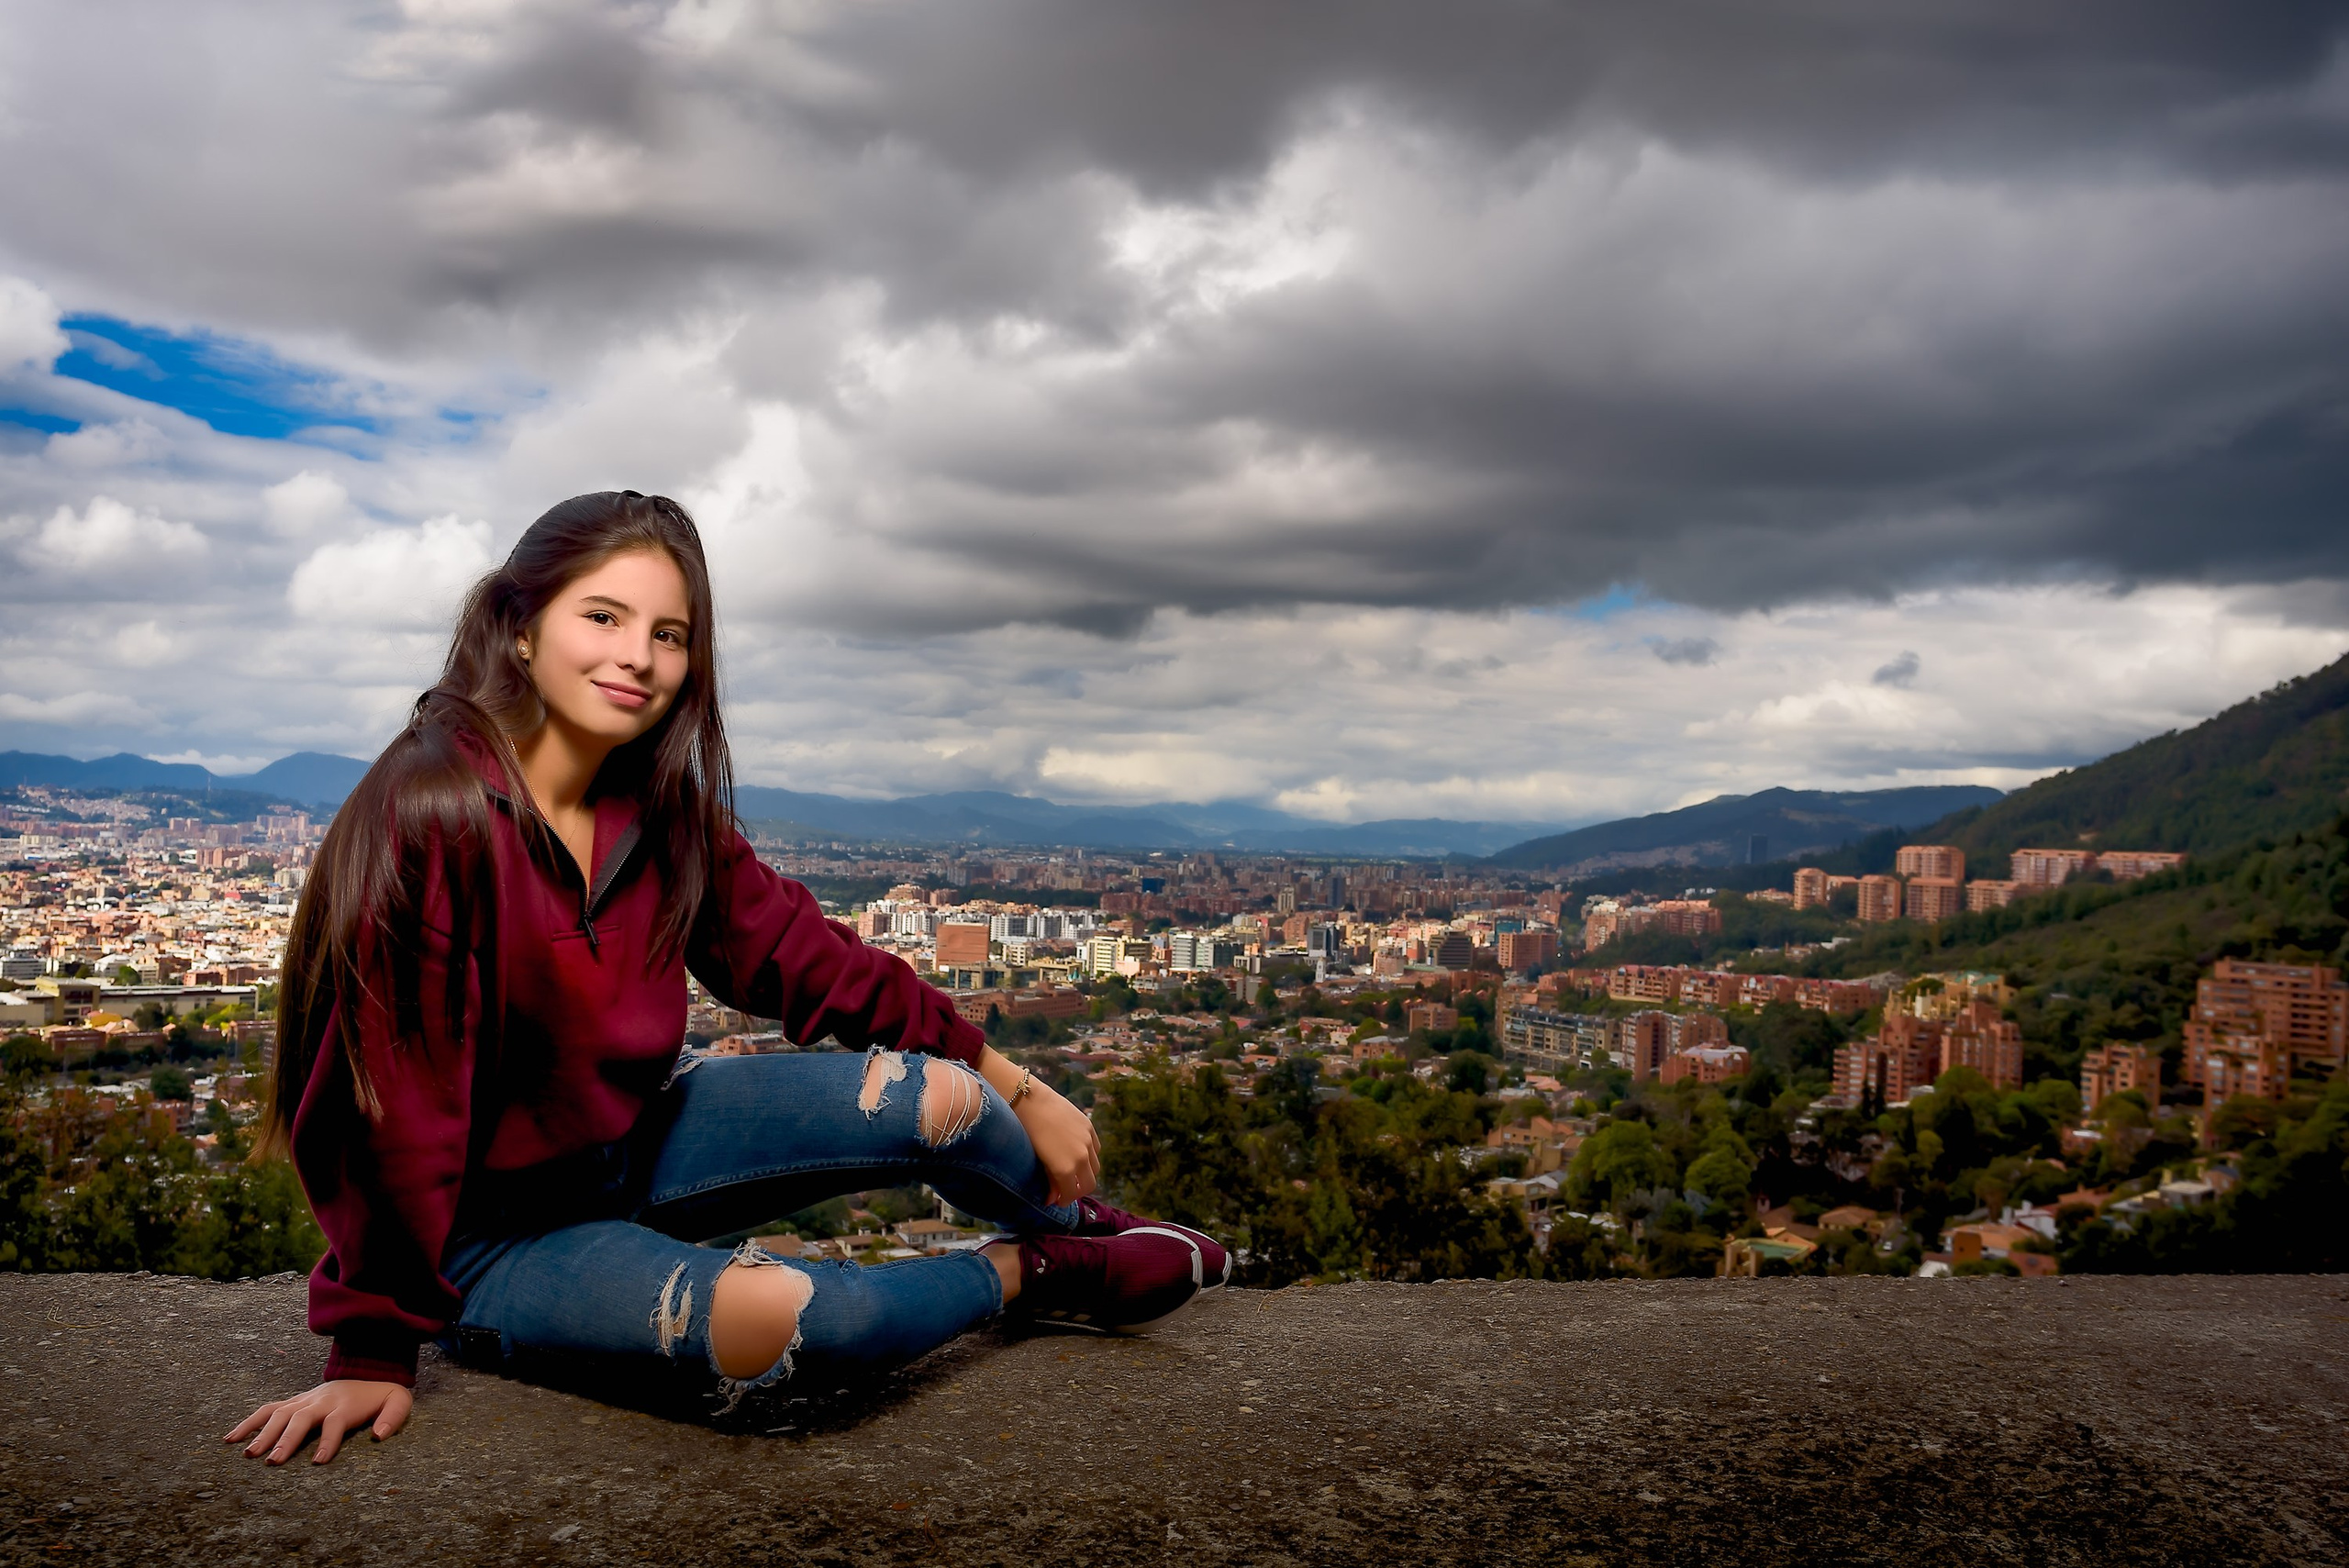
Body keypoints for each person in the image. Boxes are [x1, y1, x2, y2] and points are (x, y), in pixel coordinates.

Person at [225, 492, 1228, 1466]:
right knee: (795, 1321)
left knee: (946, 1097)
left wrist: (1020, 1085)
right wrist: (373, 1347)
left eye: (669, 634)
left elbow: (804, 954)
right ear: (519, 627)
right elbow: (394, 1107)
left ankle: (1072, 1218)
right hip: (489, 1241)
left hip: (632, 1148)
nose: (638, 655)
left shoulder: (654, 806)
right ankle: (1030, 1271)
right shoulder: (431, 812)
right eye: (603, 616)